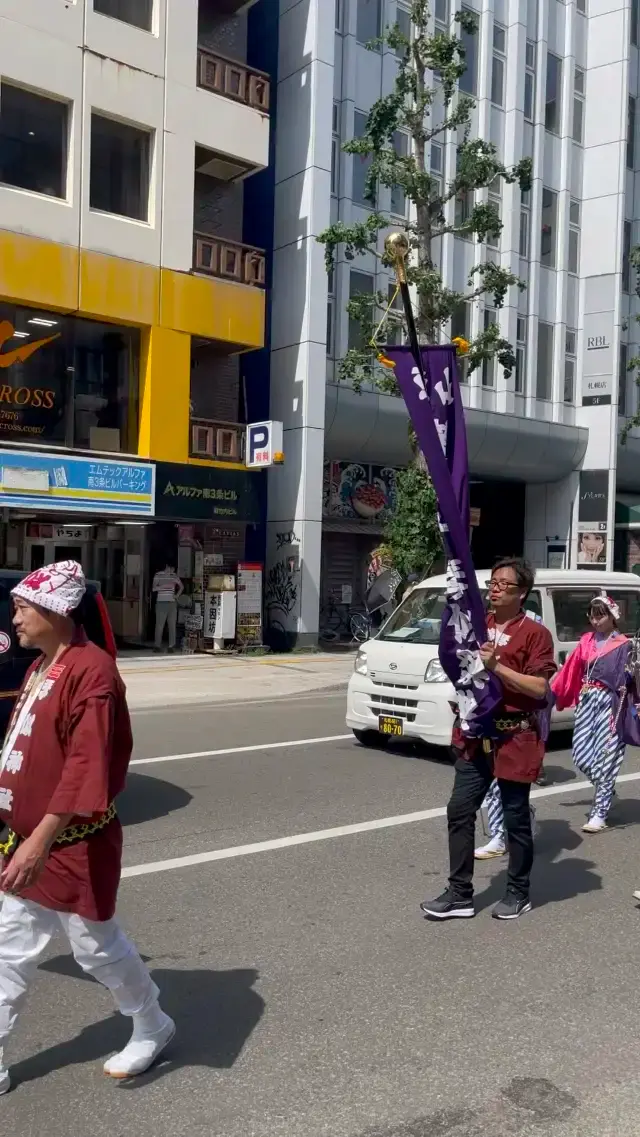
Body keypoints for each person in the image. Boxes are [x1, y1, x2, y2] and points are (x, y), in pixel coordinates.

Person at [0, 561, 174, 1093]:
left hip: (68, 845)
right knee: (9, 949)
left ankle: (151, 1023)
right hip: (28, 842)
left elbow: (85, 766)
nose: (14, 619)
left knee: (96, 948)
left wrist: (38, 840)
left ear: (54, 611)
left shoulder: (91, 672)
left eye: (22, 608)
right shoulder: (40, 667)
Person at [420, 557, 556, 922]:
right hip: (476, 733)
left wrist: (498, 667)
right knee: (459, 810)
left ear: (522, 592)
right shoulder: (477, 625)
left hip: (515, 734)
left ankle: (518, 890)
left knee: (515, 818)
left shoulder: (535, 633)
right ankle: (460, 893)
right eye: (492, 583)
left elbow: (541, 689)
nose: (494, 590)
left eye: (503, 585)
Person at [551, 592, 630, 832]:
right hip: (587, 701)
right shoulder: (585, 640)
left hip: (611, 703)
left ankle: (600, 812)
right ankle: (608, 789)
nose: (596, 621)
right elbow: (570, 671)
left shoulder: (624, 644)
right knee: (581, 755)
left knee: (606, 757)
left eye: (601, 616)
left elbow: (633, 679)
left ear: (612, 617)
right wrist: (551, 691)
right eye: (593, 616)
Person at [152, 561, 183, 653]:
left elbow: (181, 586)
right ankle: (157, 646)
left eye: (173, 569)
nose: (172, 570)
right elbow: (154, 588)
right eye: (171, 568)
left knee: (172, 625)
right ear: (166, 566)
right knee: (159, 625)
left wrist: (177, 596)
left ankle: (171, 646)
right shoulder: (158, 575)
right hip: (161, 602)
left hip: (172, 603)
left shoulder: (174, 576)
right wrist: (164, 586)